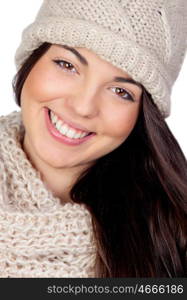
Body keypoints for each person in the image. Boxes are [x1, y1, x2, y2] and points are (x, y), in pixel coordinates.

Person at [0, 0, 186, 278]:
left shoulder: (169, 239)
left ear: (143, 114)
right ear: (31, 60)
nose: (83, 107)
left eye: (120, 91)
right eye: (67, 65)